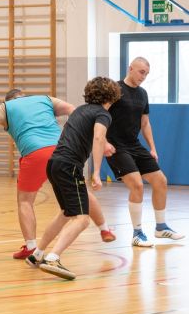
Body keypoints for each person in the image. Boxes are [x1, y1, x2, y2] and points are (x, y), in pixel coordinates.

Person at [0, 89, 115, 260]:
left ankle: (31, 247)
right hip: (61, 150)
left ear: (9, 100)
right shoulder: (45, 100)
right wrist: (103, 142)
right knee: (81, 191)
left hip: (35, 154)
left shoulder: (6, 107)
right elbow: (75, 111)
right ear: (24, 96)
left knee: (25, 200)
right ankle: (104, 228)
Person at [25, 76, 121, 280]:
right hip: (69, 166)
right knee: (83, 219)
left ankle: (37, 254)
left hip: (54, 164)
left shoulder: (80, 110)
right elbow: (98, 137)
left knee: (66, 213)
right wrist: (96, 173)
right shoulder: (103, 115)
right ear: (113, 96)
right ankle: (53, 258)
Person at [104, 57, 184, 247]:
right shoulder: (113, 89)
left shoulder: (143, 94)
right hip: (116, 146)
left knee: (160, 181)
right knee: (137, 186)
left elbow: (145, 123)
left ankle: (161, 227)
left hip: (134, 145)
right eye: (141, 72)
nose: (144, 77)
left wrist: (152, 147)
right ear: (130, 68)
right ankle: (137, 233)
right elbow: (100, 115)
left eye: (146, 74)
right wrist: (104, 142)